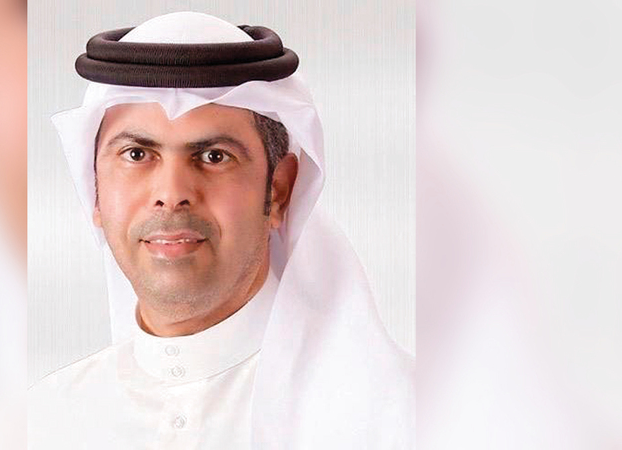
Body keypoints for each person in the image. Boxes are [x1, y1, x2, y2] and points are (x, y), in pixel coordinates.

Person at [29, 11, 413, 449]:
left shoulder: (403, 419)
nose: (171, 194)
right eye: (136, 154)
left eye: (214, 156)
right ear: (95, 191)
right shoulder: (43, 424)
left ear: (279, 192)